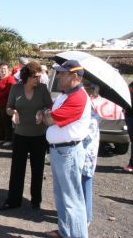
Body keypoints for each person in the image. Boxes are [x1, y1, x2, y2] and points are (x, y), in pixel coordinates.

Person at [42, 60, 91, 238]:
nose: (59, 76)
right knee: (62, 197)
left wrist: (45, 115)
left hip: (68, 152)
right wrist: (46, 114)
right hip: (60, 151)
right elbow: (49, 114)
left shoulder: (78, 97)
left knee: (72, 200)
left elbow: (49, 119)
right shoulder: (65, 94)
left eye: (63, 73)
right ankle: (65, 232)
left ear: (75, 76)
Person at [0, 61, 52, 211]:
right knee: (17, 170)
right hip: (20, 135)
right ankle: (13, 200)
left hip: (39, 136)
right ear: (27, 76)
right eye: (35, 76)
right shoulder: (16, 88)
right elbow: (9, 107)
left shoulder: (42, 89)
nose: (38, 79)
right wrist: (13, 112)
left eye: (39, 76)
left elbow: (50, 106)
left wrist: (43, 112)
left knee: (38, 169)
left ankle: (36, 200)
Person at [82, 81, 101, 227]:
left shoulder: (89, 105)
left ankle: (86, 217)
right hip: (83, 151)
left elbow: (88, 132)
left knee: (85, 182)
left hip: (86, 152)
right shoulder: (87, 103)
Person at [0, 63, 16, 146]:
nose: (3, 70)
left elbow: (8, 91)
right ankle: (1, 138)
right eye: (1, 68)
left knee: (7, 122)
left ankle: (8, 139)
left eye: (5, 68)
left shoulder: (10, 79)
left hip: (5, 104)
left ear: (8, 69)